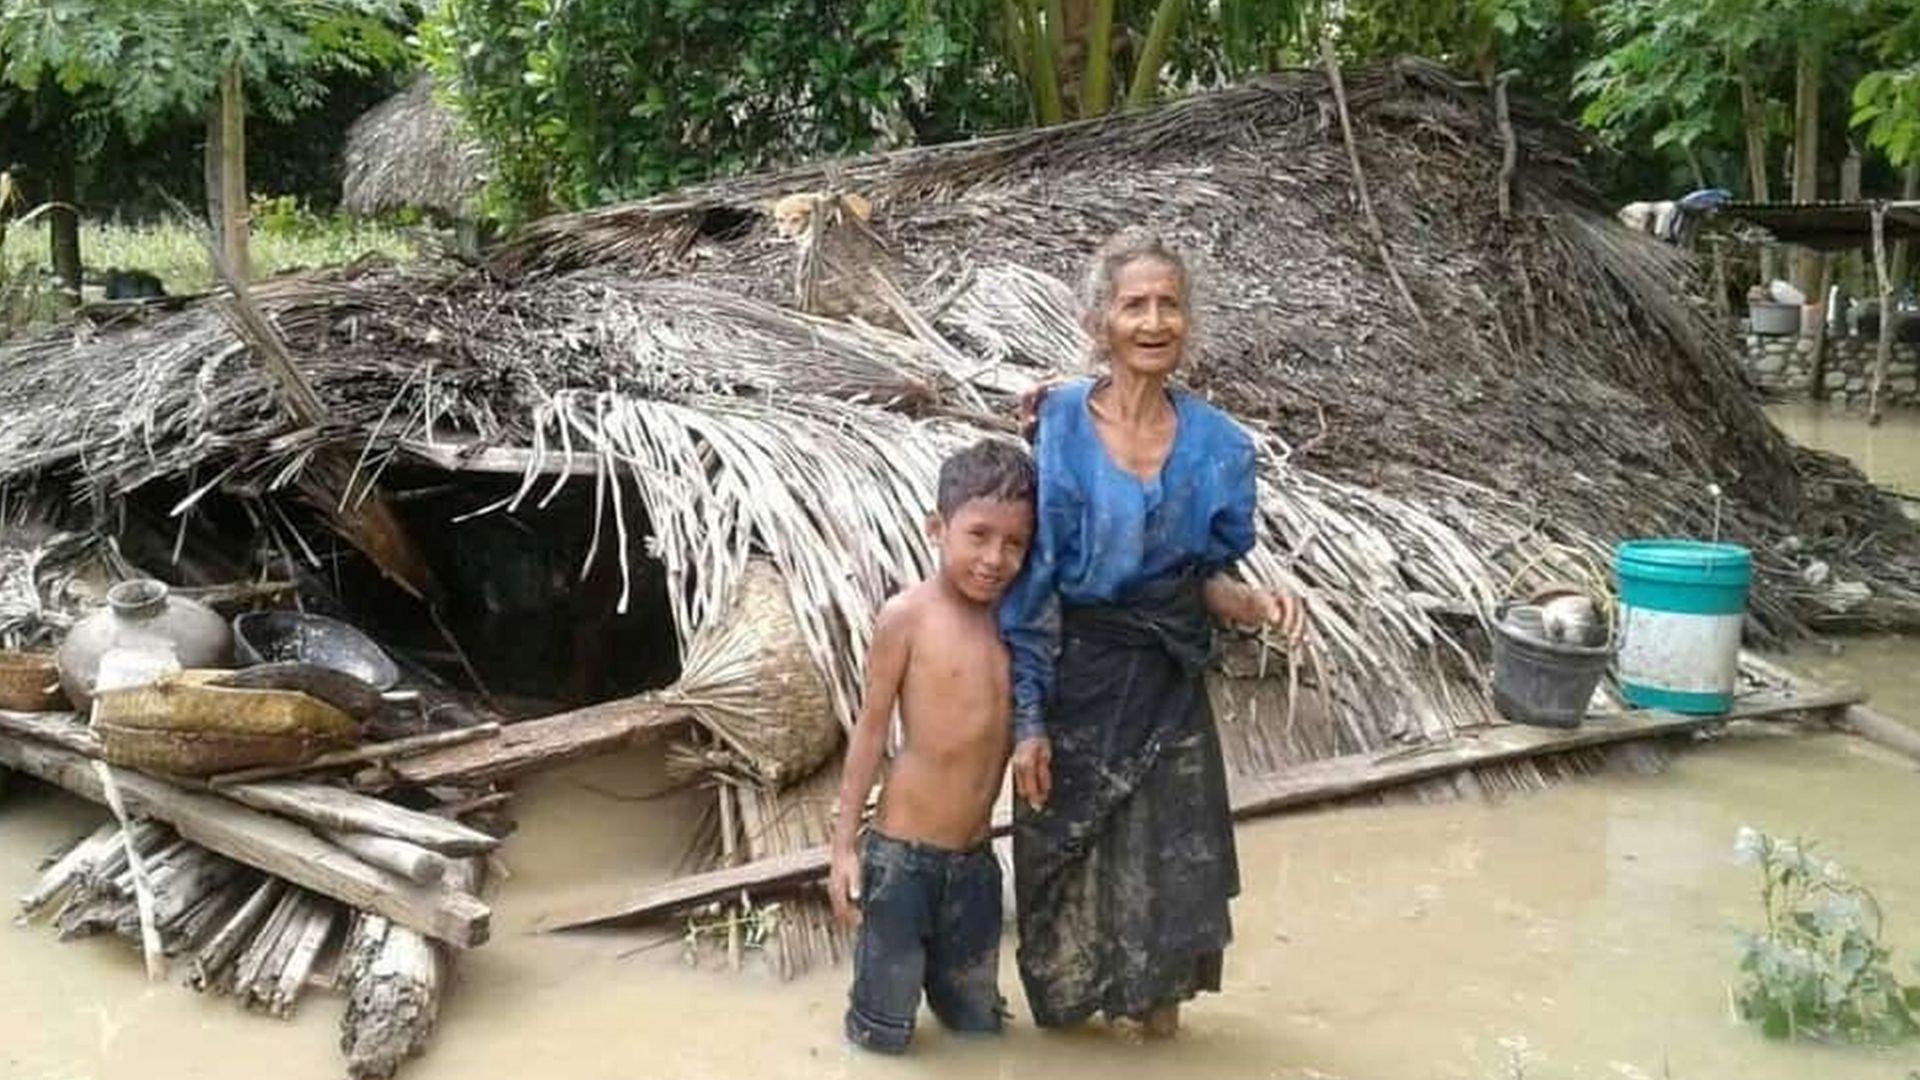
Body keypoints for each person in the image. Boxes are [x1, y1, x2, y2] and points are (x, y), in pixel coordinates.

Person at [999, 228, 1305, 1038]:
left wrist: (1256, 604)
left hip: (1168, 691)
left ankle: (1158, 1045)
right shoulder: (1057, 422)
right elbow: (1035, 590)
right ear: (1102, 320)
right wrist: (1027, 721)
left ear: (1188, 322)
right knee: (1059, 885)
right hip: (1076, 684)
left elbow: (1200, 584)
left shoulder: (1219, 447)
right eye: (1134, 304)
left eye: (1169, 304)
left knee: (1173, 885)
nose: (1153, 320)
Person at [828, 438, 1038, 1054]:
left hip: (975, 866)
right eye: (978, 535)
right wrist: (844, 848)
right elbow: (869, 731)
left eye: (1014, 543)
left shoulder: (1022, 621)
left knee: (978, 1030)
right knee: (881, 1037)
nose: (994, 558)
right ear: (936, 529)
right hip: (902, 863)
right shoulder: (908, 617)